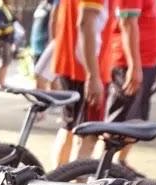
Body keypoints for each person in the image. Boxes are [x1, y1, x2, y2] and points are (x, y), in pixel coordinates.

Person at [49, 0, 115, 167]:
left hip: (72, 63)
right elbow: (86, 23)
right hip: (88, 67)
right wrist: (93, 75)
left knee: (69, 129)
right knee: (89, 135)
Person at [106, 0, 156, 167]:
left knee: (136, 120)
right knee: (119, 121)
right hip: (128, 64)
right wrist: (134, 65)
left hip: (145, 63)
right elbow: (128, 23)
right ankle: (105, 167)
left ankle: (120, 162)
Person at [29, 0, 58, 90]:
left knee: (49, 78)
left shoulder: (55, 3)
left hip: (47, 46)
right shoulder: (42, 5)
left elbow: (55, 23)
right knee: (42, 78)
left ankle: (50, 101)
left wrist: (52, 44)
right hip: (36, 47)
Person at [0, 0, 17, 89]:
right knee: (3, 62)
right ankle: (0, 84)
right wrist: (9, 28)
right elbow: (0, 25)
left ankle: (2, 82)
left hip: (7, 40)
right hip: (2, 41)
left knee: (5, 62)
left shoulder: (6, 9)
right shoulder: (0, 10)